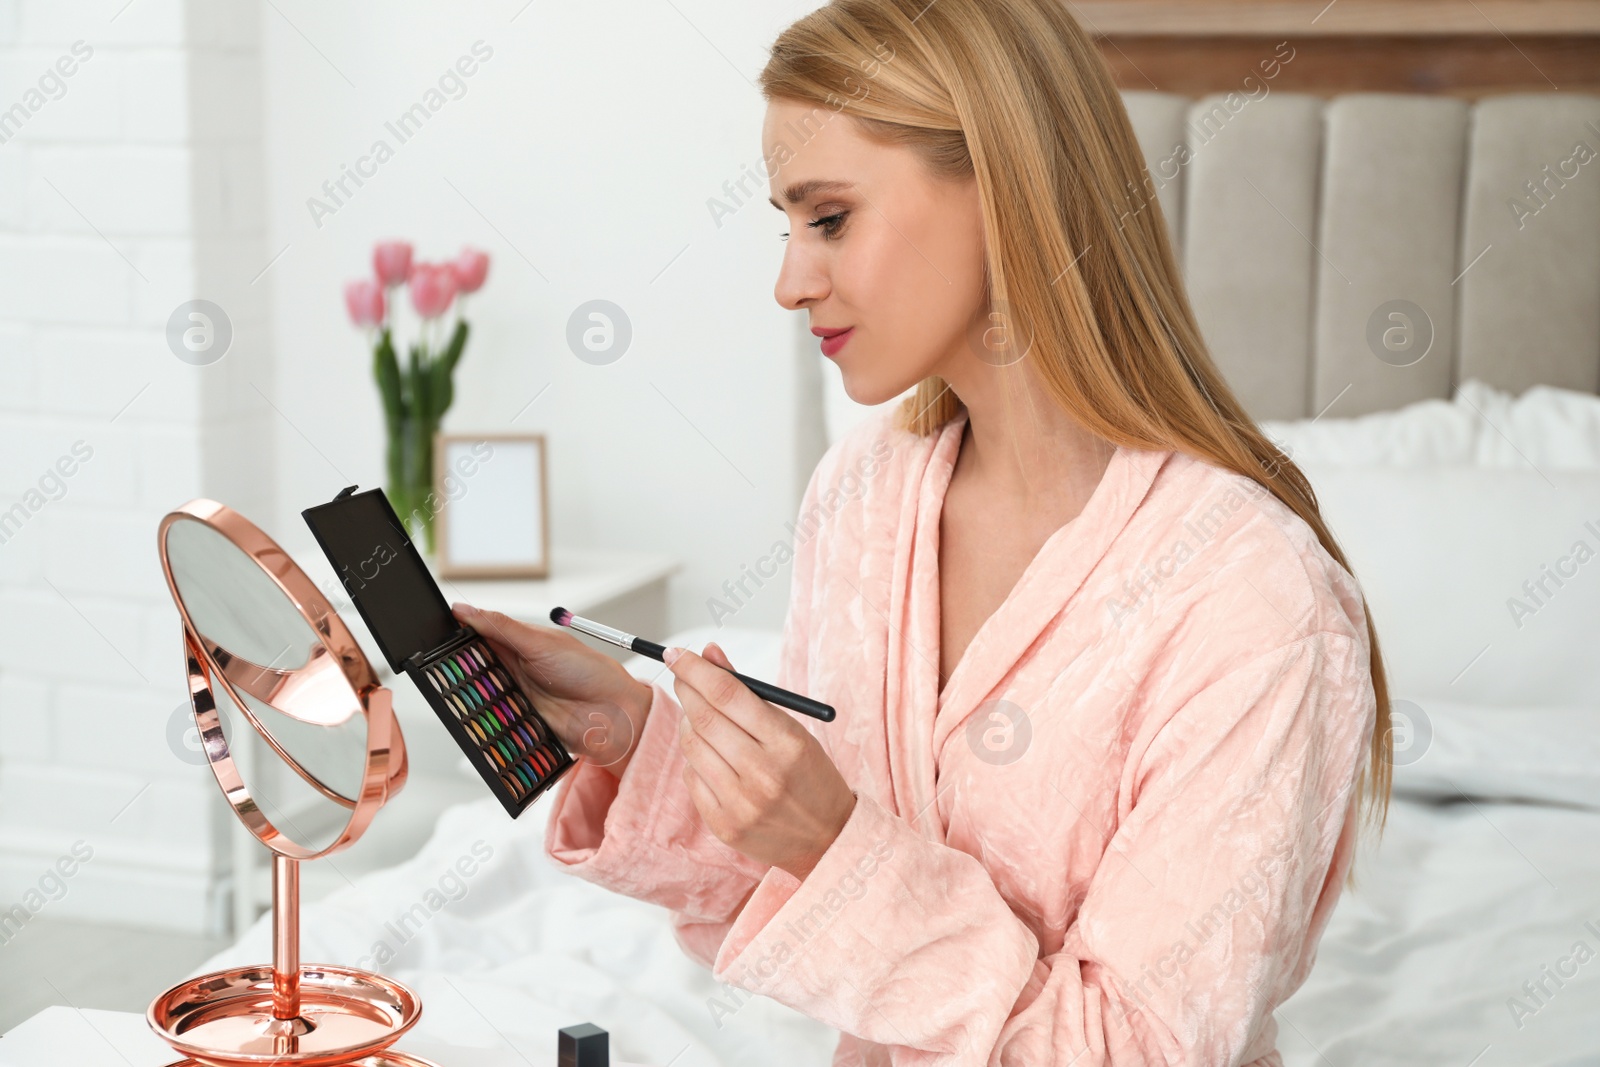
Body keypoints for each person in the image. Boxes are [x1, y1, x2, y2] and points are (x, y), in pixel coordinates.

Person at [450, 1, 1392, 1062]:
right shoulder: (863, 497)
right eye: (785, 224)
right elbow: (807, 920)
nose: (787, 281)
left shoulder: (1251, 601)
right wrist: (637, 742)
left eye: (831, 217)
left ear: (1001, 194)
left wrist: (831, 839)